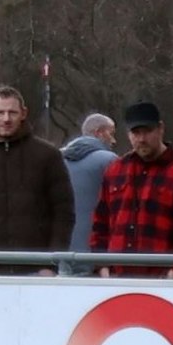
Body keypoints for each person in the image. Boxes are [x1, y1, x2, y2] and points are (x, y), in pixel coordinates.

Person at [90, 100, 173, 278]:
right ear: (128, 134)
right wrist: (102, 267)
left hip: (168, 284)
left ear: (160, 129)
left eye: (147, 131)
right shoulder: (115, 171)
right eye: (136, 133)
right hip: (119, 281)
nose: (142, 139)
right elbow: (100, 224)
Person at [0, 85, 73, 274]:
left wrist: (52, 262)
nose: (6, 119)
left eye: (12, 112)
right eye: (0, 112)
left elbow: (63, 212)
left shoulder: (48, 156)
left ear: (23, 113)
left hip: (35, 267)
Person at [60, 112, 117, 272]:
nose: (114, 140)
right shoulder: (109, 160)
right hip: (96, 253)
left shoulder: (56, 158)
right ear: (99, 132)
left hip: (61, 251)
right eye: (111, 134)